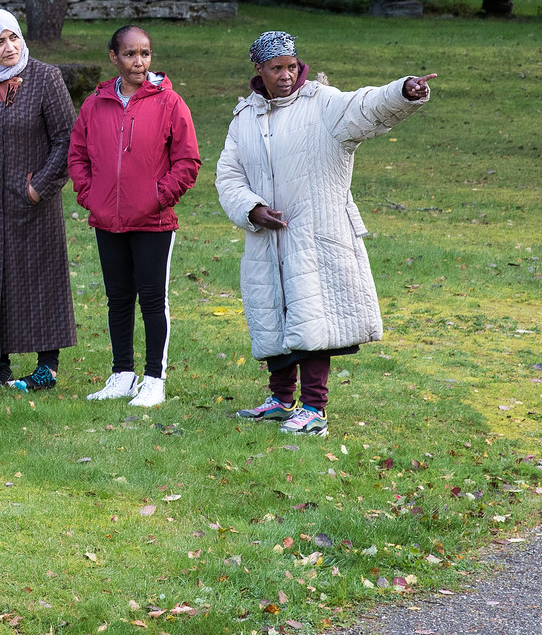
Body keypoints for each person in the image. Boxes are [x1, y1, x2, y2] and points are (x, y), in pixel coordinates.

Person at [216, 31, 435, 436]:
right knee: (273, 317)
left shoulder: (323, 104)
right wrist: (252, 208)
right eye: (276, 67)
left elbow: (366, 105)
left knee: (313, 323)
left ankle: (314, 410)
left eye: (291, 66)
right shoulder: (244, 117)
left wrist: (404, 91)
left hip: (316, 235)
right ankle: (281, 400)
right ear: (259, 70)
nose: (285, 74)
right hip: (267, 239)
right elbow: (228, 174)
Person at [70, 24, 201, 408]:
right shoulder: (95, 105)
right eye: (130, 54)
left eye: (144, 54)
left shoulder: (170, 103)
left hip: (153, 221)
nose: (139, 62)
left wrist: (158, 196)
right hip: (107, 219)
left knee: (151, 299)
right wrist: (90, 195)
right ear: (114, 57)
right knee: (117, 298)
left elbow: (188, 161)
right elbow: (77, 154)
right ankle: (122, 374)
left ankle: (154, 379)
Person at [0, 9, 77, 392]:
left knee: (40, 278)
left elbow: (66, 139)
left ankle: (47, 367)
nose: (8, 48)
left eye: (14, 38)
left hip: (33, 202)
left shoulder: (45, 77)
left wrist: (38, 187)